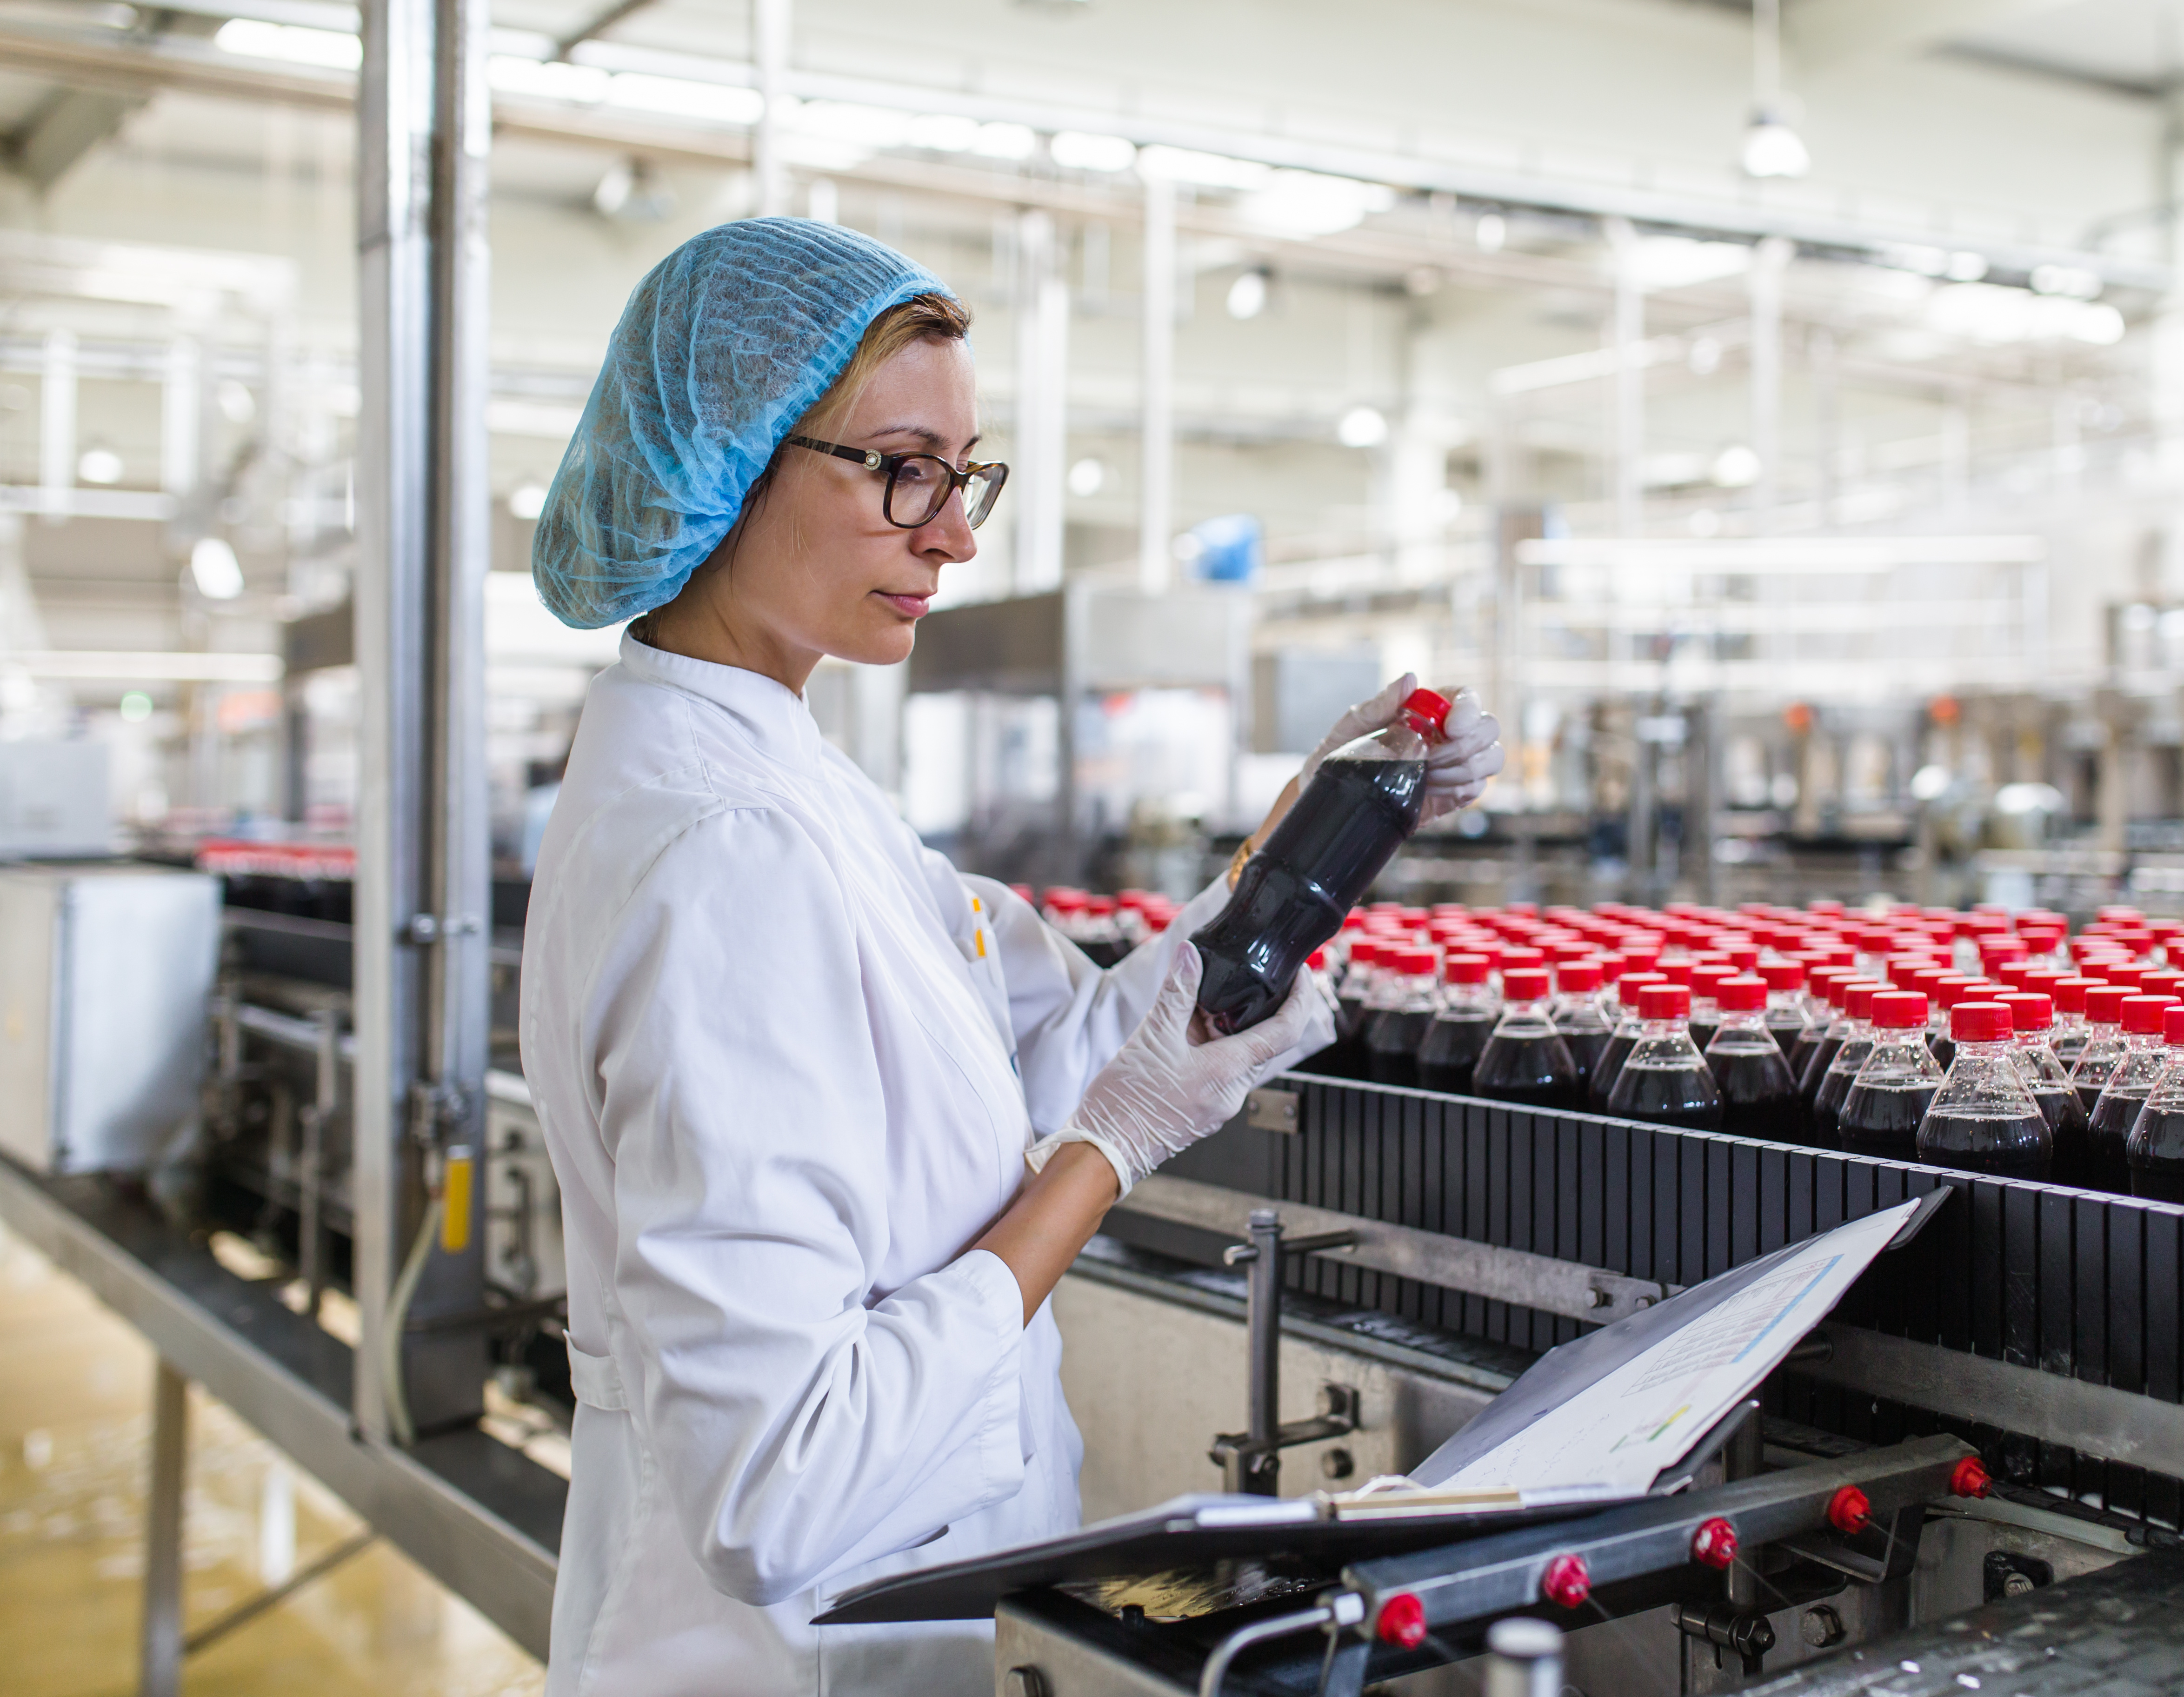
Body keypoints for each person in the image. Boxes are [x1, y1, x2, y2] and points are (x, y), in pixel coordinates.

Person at [518, 218, 1504, 1697]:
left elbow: (1040, 1039)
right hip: (783, 1657)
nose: (956, 534)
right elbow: (776, 1489)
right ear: (727, 455)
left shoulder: (780, 775)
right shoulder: (723, 848)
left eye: (963, 475)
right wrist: (1103, 1157)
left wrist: (1308, 839)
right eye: (902, 469)